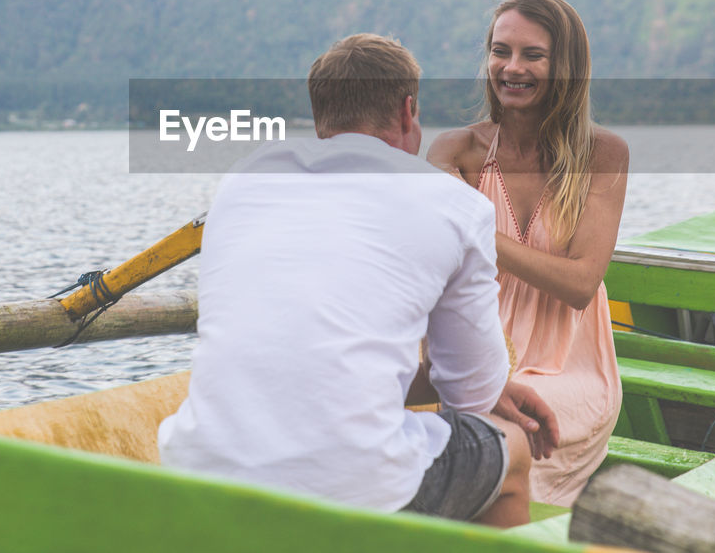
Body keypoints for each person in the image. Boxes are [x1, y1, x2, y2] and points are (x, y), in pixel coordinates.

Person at [158, 33, 558, 527]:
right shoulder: (456, 206)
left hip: (198, 467)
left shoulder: (244, 179)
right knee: (506, 446)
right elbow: (471, 401)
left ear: (321, 115)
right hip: (350, 489)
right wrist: (487, 385)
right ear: (408, 111)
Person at [427, 0, 629, 506]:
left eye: (532, 55)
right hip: (472, 352)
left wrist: (474, 233)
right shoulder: (456, 149)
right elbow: (429, 262)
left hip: (568, 367)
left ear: (565, 67)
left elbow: (580, 283)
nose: (511, 67)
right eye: (500, 51)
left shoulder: (603, 153)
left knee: (495, 433)